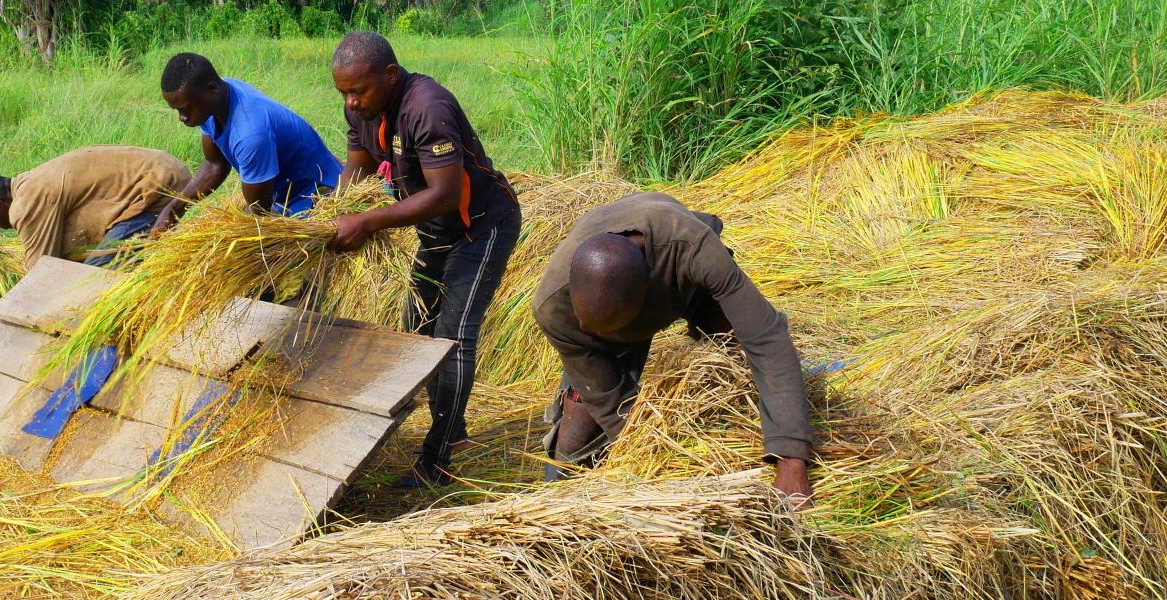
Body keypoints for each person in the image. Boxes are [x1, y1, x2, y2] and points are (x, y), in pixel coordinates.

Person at [325, 31, 522, 488]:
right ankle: (453, 430)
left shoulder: (426, 107)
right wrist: (332, 216)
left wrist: (368, 221)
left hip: (481, 226)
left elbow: (444, 194)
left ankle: (437, 460)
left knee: (452, 338)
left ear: (390, 75)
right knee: (418, 330)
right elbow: (356, 167)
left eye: (359, 90)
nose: (351, 102)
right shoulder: (367, 109)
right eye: (344, 93)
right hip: (436, 229)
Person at [531, 191, 814, 503]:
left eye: (608, 326)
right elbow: (612, 405)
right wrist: (657, 465)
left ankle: (752, 413)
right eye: (588, 323)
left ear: (650, 287)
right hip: (611, 307)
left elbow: (766, 338)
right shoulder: (553, 307)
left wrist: (791, 460)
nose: (588, 331)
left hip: (680, 275)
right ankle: (556, 499)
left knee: (736, 346)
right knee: (578, 431)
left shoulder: (693, 249)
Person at [154, 52, 344, 233]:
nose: (182, 117)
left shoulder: (251, 134)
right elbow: (215, 164)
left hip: (316, 196)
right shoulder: (213, 100)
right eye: (177, 111)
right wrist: (173, 208)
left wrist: (222, 239)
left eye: (186, 109)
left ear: (212, 90)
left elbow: (258, 213)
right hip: (282, 192)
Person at [0, 145, 190, 270]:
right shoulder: (31, 183)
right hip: (165, 169)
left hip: (158, 187)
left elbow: (41, 274)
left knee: (89, 281)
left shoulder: (25, 205)